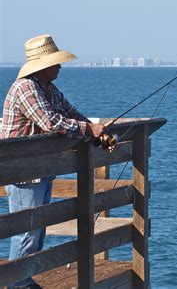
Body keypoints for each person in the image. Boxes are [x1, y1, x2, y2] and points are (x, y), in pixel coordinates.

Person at [1, 34, 105, 288]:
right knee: (26, 230)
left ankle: (23, 279)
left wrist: (95, 130)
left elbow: (70, 113)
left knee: (38, 228)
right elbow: (50, 121)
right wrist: (87, 130)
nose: (60, 66)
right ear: (43, 65)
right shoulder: (26, 88)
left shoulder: (47, 88)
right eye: (56, 62)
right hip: (22, 171)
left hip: (40, 168)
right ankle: (17, 283)